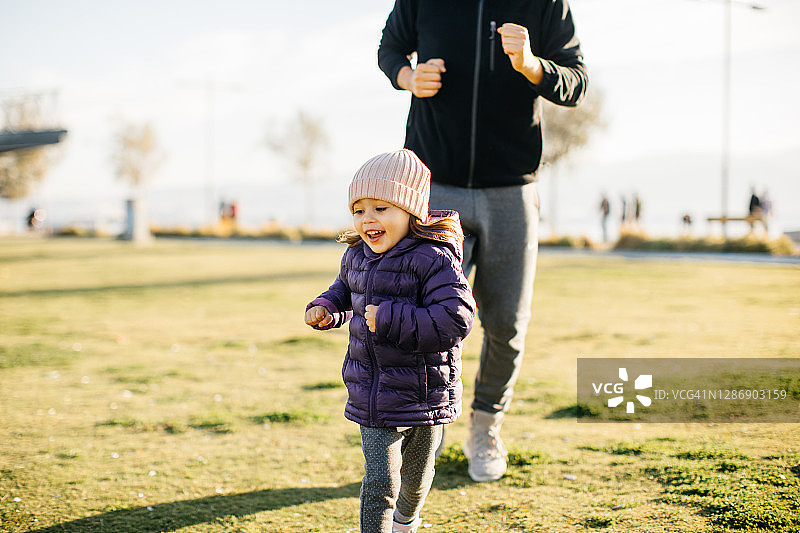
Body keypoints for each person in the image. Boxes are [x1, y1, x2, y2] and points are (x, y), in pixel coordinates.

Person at [377, 0, 588, 482]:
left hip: (512, 189)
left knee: (507, 325)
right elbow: (390, 48)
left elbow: (577, 80)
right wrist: (406, 77)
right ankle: (426, 425)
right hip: (433, 185)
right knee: (422, 317)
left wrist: (534, 66)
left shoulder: (545, 3)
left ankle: (485, 426)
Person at [305, 149, 475, 533]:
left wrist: (390, 318)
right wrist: (327, 308)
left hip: (427, 393)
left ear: (411, 211)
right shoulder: (356, 256)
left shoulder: (435, 258)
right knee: (380, 481)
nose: (368, 220)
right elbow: (346, 292)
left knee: (415, 479)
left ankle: (406, 522)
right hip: (374, 392)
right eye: (359, 210)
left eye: (381, 208)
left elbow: (456, 318)